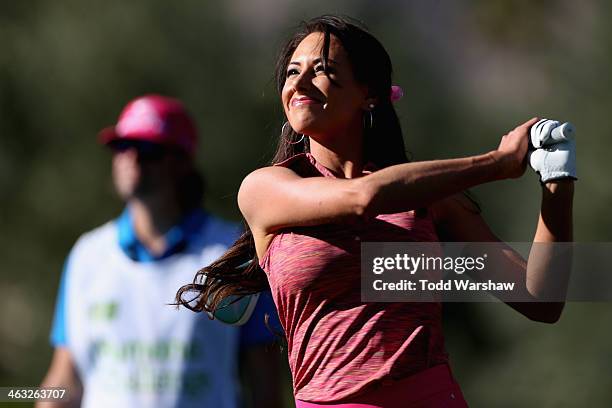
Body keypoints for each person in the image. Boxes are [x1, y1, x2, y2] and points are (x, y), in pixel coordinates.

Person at [176, 15, 575, 407]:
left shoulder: (427, 195)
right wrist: (496, 163)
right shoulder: (265, 190)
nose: (298, 82)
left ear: (369, 94)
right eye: (292, 72)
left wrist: (557, 185)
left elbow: (540, 299)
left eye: (323, 69)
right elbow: (361, 198)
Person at [38, 95, 283, 408]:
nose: (132, 158)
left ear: (182, 162)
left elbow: (264, 387)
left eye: (148, 149)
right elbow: (64, 379)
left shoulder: (233, 252)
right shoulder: (88, 254)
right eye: (122, 146)